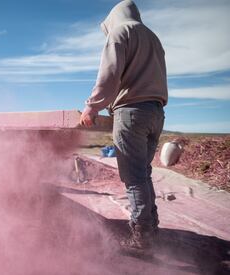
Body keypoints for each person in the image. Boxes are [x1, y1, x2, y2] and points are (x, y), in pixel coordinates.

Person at [80, 0, 168, 252]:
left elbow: (109, 73)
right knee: (144, 173)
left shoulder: (121, 32)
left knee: (133, 177)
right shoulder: (153, 37)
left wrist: (92, 106)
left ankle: (142, 239)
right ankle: (151, 227)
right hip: (156, 111)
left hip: (131, 112)